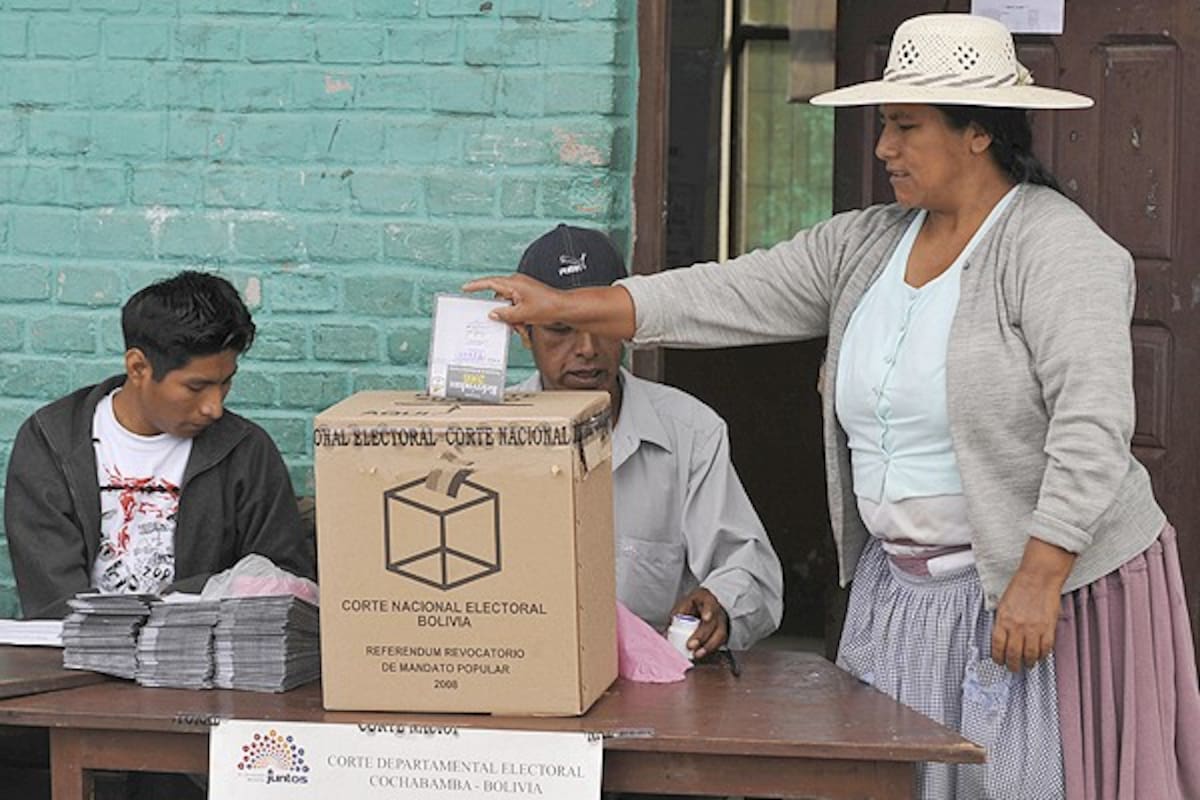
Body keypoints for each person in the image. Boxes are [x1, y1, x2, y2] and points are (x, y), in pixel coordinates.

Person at [466, 14, 1200, 800]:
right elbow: (727, 292)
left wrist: (1041, 571)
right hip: (905, 594)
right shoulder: (869, 245)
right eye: (884, 125)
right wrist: (576, 305)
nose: (883, 147)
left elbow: (1092, 424)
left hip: (1034, 590)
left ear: (978, 132)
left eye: (904, 126)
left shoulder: (1057, 249)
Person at [511, 224, 783, 658]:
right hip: (523, 673)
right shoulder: (489, 439)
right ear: (523, 332)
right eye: (561, 329)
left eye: (599, 324)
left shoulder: (691, 432)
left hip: (654, 691)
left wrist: (721, 606)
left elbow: (750, 570)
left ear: (627, 325)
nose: (586, 348)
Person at [5, 270, 314, 620]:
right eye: (196, 387)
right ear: (138, 367)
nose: (214, 407)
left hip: (205, 665)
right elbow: (52, 600)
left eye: (225, 383)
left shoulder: (246, 450)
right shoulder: (51, 443)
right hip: (77, 662)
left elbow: (285, 584)